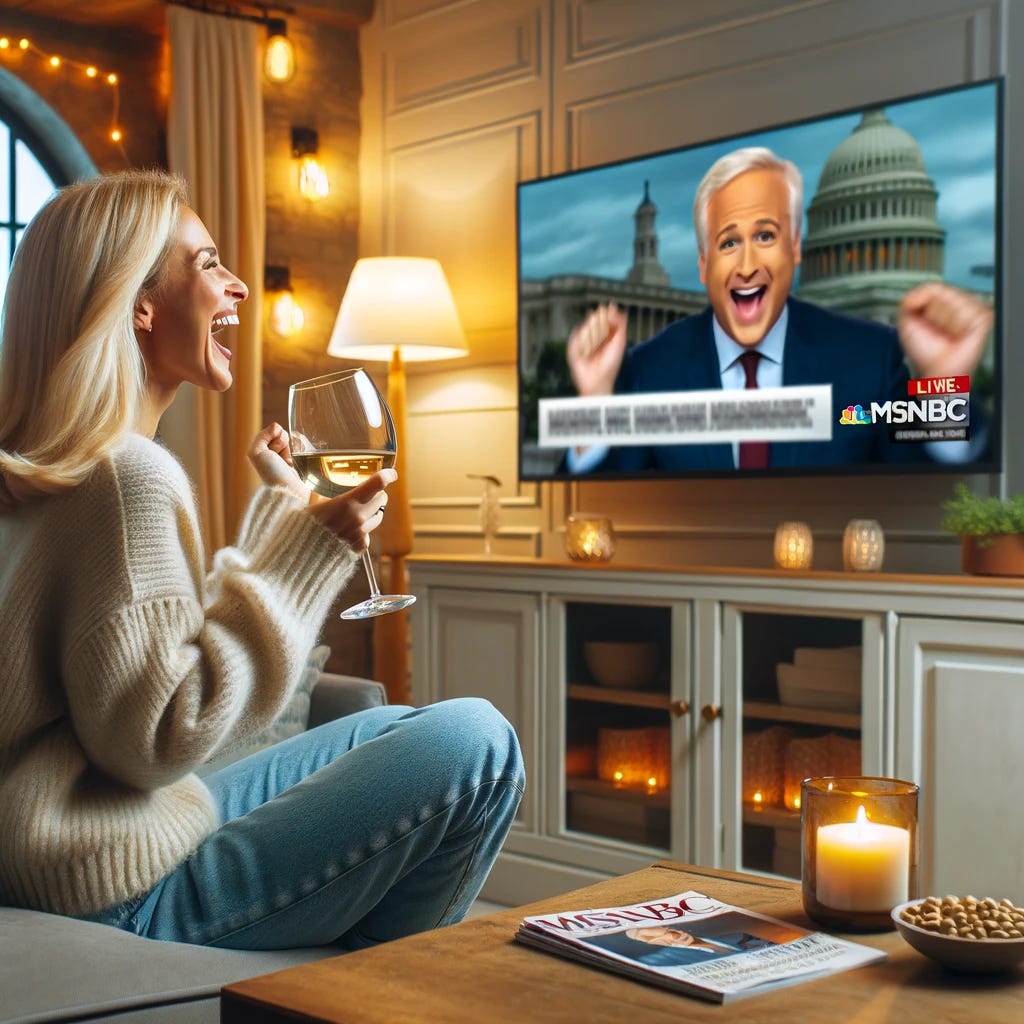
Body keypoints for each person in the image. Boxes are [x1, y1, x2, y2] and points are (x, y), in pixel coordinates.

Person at [0, 169, 524, 950]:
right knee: (476, 741)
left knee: (388, 727)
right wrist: (310, 551)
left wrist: (288, 515)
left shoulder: (41, 472)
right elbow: (163, 736)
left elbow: (135, 694)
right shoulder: (125, 478)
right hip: (114, 886)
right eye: (207, 262)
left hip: (60, 845)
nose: (238, 284)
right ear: (137, 302)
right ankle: (366, 998)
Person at [565, 146, 994, 473]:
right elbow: (600, 504)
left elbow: (926, 486)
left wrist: (942, 384)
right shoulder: (652, 368)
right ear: (702, 263)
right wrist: (592, 400)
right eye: (729, 243)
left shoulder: (866, 357)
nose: (748, 266)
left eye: (766, 237)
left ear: (795, 247)